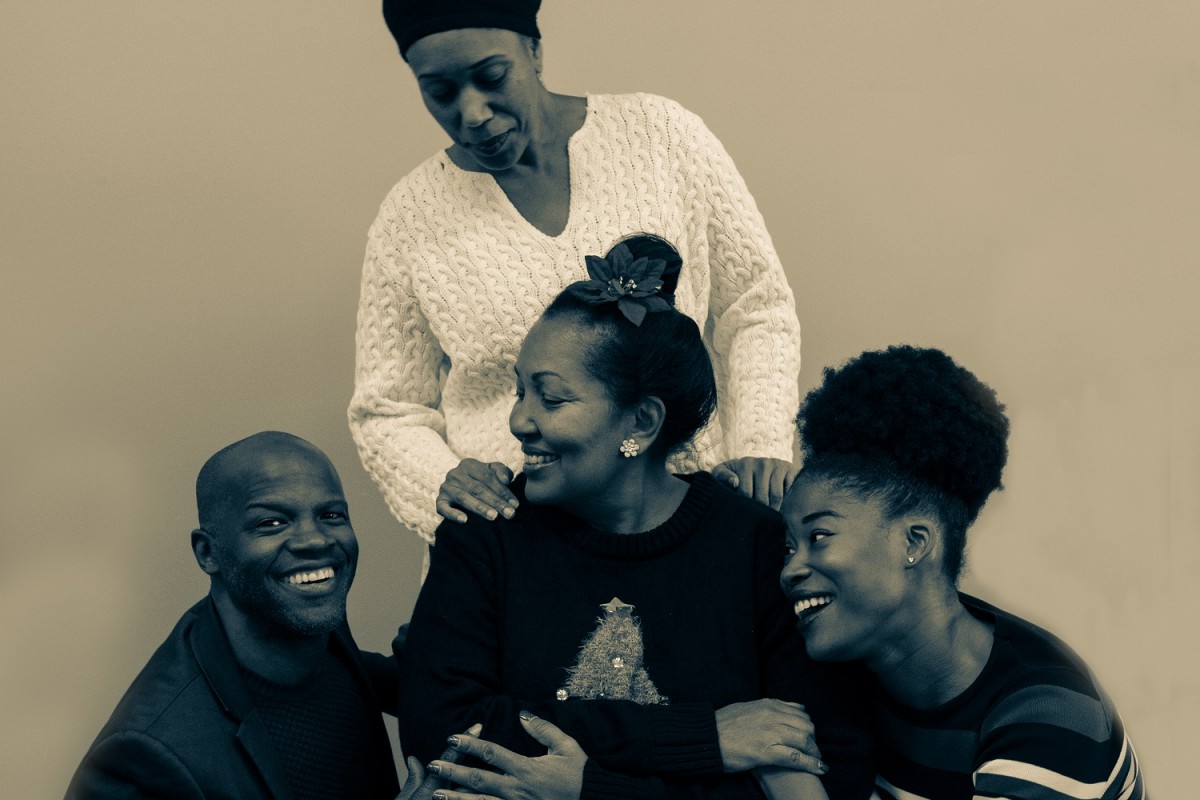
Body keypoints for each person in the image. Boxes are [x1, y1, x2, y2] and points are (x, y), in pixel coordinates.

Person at [396, 237, 874, 800]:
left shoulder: (758, 547)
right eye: (520, 389)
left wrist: (591, 787)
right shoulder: (483, 533)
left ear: (641, 423)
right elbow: (443, 733)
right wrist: (704, 738)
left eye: (551, 399)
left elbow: (829, 769)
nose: (519, 421)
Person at [349, 0, 803, 564]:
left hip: (691, 520)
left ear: (534, 51)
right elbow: (388, 407)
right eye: (439, 91)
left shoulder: (662, 138)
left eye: (492, 77)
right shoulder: (409, 220)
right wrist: (444, 487)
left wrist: (759, 448)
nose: (472, 114)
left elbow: (755, 308)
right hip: (520, 550)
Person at [773, 346, 1146, 799]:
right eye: (788, 546)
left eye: (819, 537)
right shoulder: (850, 677)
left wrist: (777, 762)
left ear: (914, 542)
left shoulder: (1052, 715)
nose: (791, 569)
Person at [64, 431, 452, 800]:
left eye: (331, 516)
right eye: (272, 523)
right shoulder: (145, 754)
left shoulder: (310, 624)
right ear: (207, 553)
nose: (315, 540)